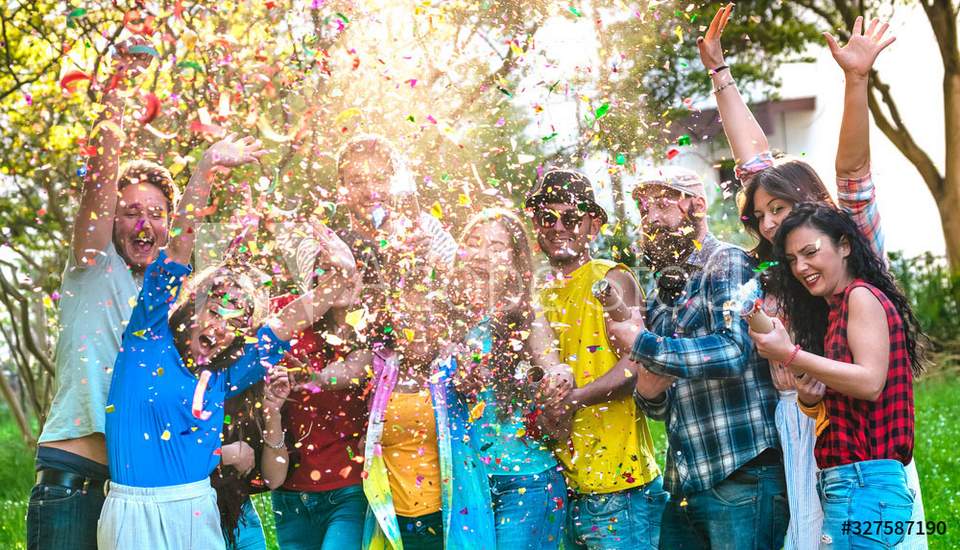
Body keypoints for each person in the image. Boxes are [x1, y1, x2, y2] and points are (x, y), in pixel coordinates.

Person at [698, 5, 927, 547]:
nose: (770, 222)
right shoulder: (782, 273)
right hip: (805, 435)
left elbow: (852, 173)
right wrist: (719, 73)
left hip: (866, 444)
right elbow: (755, 165)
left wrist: (855, 80)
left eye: (781, 208)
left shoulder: (850, 249)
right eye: (760, 215)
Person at [96, 134, 358, 550]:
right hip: (133, 514)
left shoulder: (223, 377)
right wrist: (205, 169)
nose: (220, 325)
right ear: (192, 306)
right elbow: (179, 249)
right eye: (215, 308)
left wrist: (339, 281)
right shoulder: (148, 337)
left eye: (236, 319)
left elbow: (282, 326)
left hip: (198, 513)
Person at [27, 39, 174, 550]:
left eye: (156, 214)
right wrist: (115, 96)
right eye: (130, 211)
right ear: (110, 220)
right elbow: (97, 185)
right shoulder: (93, 269)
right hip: (74, 484)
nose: (143, 223)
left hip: (135, 494)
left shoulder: (167, 295)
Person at [606, 167, 787, 549]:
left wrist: (642, 345)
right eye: (643, 209)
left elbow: (734, 349)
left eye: (662, 204)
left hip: (742, 473)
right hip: (686, 481)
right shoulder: (659, 295)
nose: (650, 217)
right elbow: (659, 404)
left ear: (698, 205)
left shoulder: (726, 263)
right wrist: (650, 393)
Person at [750, 203, 927, 549]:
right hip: (850, 482)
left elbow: (870, 382)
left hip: (865, 484)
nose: (801, 267)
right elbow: (851, 397)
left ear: (844, 245)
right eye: (791, 260)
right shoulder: (835, 310)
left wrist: (790, 354)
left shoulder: (860, 296)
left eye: (810, 252)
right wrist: (811, 397)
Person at [525, 169, 667, 550]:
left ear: (593, 225)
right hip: (564, 489)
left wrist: (573, 400)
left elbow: (636, 366)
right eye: (547, 217)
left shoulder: (611, 277)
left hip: (619, 490)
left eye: (570, 217)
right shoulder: (541, 295)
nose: (558, 227)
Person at [453, 207, 572, 549]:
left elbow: (553, 365)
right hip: (467, 485)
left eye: (496, 247)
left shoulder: (526, 317)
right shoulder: (448, 317)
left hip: (526, 480)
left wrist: (559, 378)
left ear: (516, 260)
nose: (481, 255)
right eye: (474, 242)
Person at [214, 371, 292, 549]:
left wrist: (272, 413)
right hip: (190, 516)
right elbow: (163, 457)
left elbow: (274, 479)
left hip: (241, 517)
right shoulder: (186, 380)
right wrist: (225, 455)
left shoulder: (253, 385)